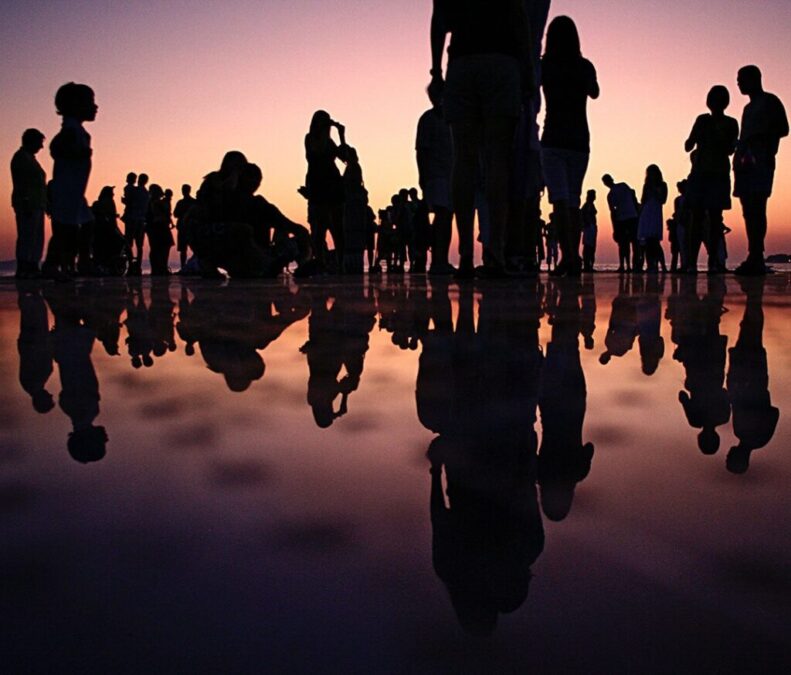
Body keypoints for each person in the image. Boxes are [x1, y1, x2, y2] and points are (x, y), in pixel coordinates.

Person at [430, 0, 533, 277]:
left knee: (463, 159)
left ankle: (465, 255)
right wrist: (527, 70)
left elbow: (440, 18)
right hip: (502, 62)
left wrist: (436, 71)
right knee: (498, 160)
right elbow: (519, 18)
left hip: (463, 61)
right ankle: (495, 253)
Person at [540, 16, 599, 277]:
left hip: (553, 138)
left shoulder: (546, 66)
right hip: (578, 141)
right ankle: (572, 257)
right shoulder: (584, 66)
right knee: (573, 201)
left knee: (560, 203)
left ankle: (569, 258)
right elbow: (594, 92)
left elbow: (530, 87)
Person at [732, 65, 789, 275]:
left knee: (758, 206)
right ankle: (753, 253)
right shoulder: (747, 109)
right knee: (748, 210)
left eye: (741, 79)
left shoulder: (770, 101)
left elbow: (784, 128)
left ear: (753, 79)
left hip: (762, 161)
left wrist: (759, 137)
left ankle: (757, 255)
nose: (738, 83)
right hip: (745, 164)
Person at [43, 82, 98, 278]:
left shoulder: (80, 132)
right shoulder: (71, 130)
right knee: (64, 230)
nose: (95, 107)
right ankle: (52, 265)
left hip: (76, 192)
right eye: (90, 102)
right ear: (76, 106)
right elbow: (55, 146)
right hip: (66, 190)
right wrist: (75, 152)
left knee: (88, 224)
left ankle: (83, 261)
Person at [684, 85, 739, 274]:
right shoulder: (702, 120)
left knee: (713, 219)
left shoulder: (730, 124)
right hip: (703, 174)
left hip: (716, 175)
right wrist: (695, 139)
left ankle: (711, 262)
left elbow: (730, 149)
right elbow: (688, 144)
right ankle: (693, 262)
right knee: (699, 218)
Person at [302, 110, 348, 271]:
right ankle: (321, 262)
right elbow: (315, 154)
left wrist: (342, 136)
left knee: (338, 228)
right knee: (319, 228)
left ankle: (341, 264)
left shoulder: (329, 141)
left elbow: (345, 158)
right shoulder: (311, 139)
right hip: (318, 185)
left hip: (333, 184)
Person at [415, 85, 454, 274]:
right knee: (442, 216)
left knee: (448, 217)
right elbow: (421, 151)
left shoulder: (453, 118)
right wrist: (423, 175)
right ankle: (438, 260)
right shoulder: (427, 119)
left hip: (451, 175)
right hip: (435, 175)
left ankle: (442, 259)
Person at [11, 129, 47, 279]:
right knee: (27, 236)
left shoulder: (30, 158)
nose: (41, 147)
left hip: (37, 204)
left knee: (36, 237)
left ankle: (33, 266)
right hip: (28, 204)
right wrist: (25, 202)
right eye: (39, 143)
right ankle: (24, 268)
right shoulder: (21, 158)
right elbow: (21, 183)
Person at [602, 174, 639, 272]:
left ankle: (631, 266)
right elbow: (613, 212)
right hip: (624, 219)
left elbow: (633, 198)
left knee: (630, 243)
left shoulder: (621, 187)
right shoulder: (613, 193)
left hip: (629, 218)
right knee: (626, 244)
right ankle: (625, 265)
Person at [637, 164, 668, 273]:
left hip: (655, 211)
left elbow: (663, 200)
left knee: (654, 241)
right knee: (647, 242)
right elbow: (643, 200)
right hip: (646, 212)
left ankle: (662, 265)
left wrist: (655, 191)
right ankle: (651, 265)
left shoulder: (663, 185)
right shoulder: (646, 186)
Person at [146, 184, 174, 275]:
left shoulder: (154, 202)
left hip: (157, 226)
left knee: (158, 247)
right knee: (160, 247)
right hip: (158, 226)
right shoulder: (155, 202)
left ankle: (159, 268)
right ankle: (160, 268)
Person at [173, 184, 196, 269]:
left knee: (192, 248)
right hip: (183, 228)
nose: (183, 191)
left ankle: (189, 266)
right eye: (183, 190)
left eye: (184, 190)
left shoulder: (192, 202)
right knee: (183, 249)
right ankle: (183, 266)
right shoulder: (182, 202)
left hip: (190, 228)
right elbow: (175, 214)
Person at [580, 188, 597, 272]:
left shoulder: (589, 205)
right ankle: (587, 265)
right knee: (588, 247)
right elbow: (583, 215)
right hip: (589, 227)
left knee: (590, 247)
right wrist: (587, 224)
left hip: (591, 227)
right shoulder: (587, 205)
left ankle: (589, 265)